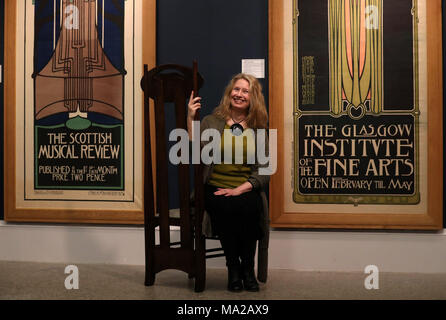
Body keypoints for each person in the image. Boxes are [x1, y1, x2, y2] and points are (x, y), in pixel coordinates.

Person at [187, 73, 270, 292]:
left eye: (245, 91)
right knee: (225, 206)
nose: (239, 94)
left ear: (253, 98)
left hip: (244, 187)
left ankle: (248, 270)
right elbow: (196, 152)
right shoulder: (211, 121)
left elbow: (265, 169)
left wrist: (240, 189)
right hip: (214, 185)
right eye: (236, 89)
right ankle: (234, 269)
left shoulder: (258, 127)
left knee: (250, 207)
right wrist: (190, 117)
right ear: (229, 93)